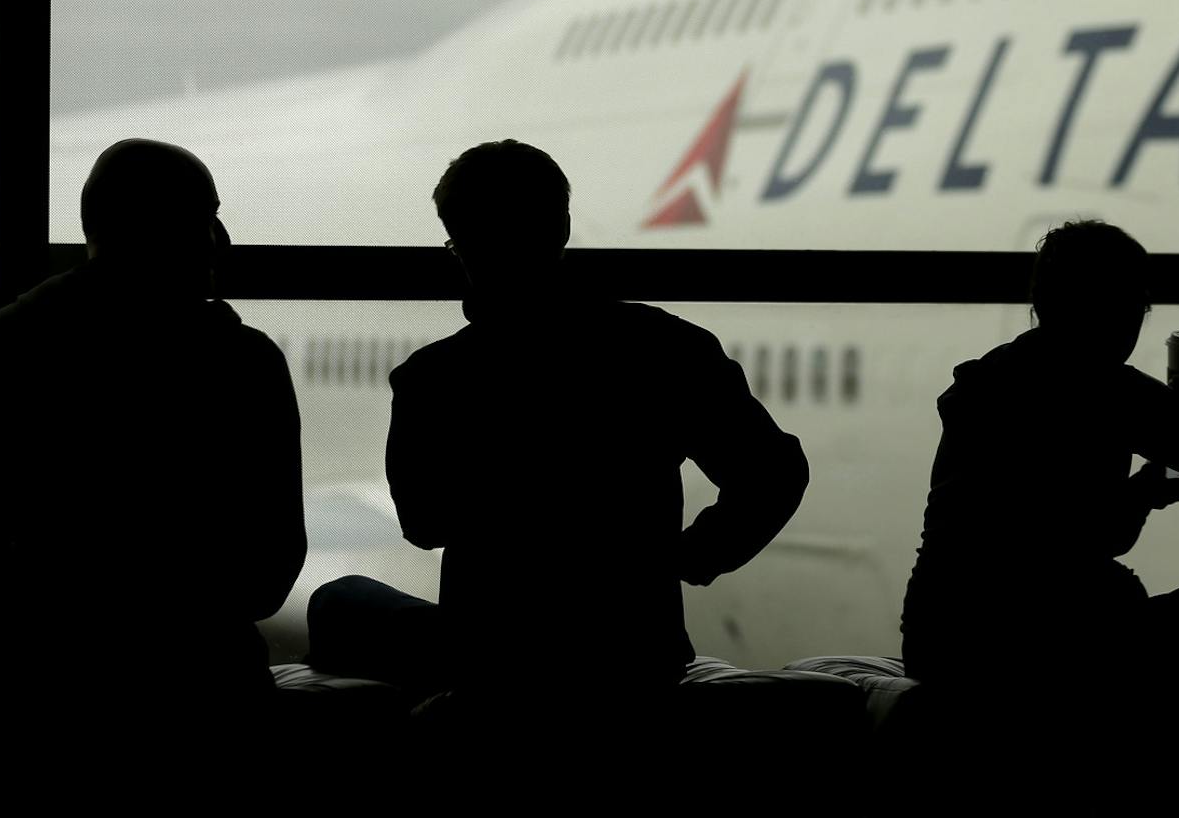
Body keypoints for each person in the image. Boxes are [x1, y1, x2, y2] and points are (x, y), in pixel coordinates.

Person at [307, 140, 808, 737]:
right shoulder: (668, 348)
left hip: (495, 659)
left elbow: (423, 525)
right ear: (562, 227)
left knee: (338, 600)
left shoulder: (433, 376)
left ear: (458, 242)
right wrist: (688, 557)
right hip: (635, 652)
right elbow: (775, 473)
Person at [0, 138, 306, 800]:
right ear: (152, 230)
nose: (220, 239)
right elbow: (270, 574)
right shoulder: (243, 364)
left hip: (41, 707)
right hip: (208, 701)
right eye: (202, 217)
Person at [897, 220, 1179, 767]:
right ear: (1118, 306)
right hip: (1059, 643)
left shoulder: (994, 376)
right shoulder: (1106, 387)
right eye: (1137, 303)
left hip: (943, 636)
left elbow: (1072, 531)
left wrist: (1147, 489)